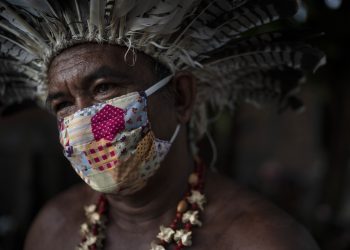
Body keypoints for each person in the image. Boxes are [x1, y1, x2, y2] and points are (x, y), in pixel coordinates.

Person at [0, 0, 325, 249]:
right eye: (63, 104)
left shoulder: (263, 239)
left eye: (103, 88)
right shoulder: (52, 228)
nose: (82, 123)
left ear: (181, 97)